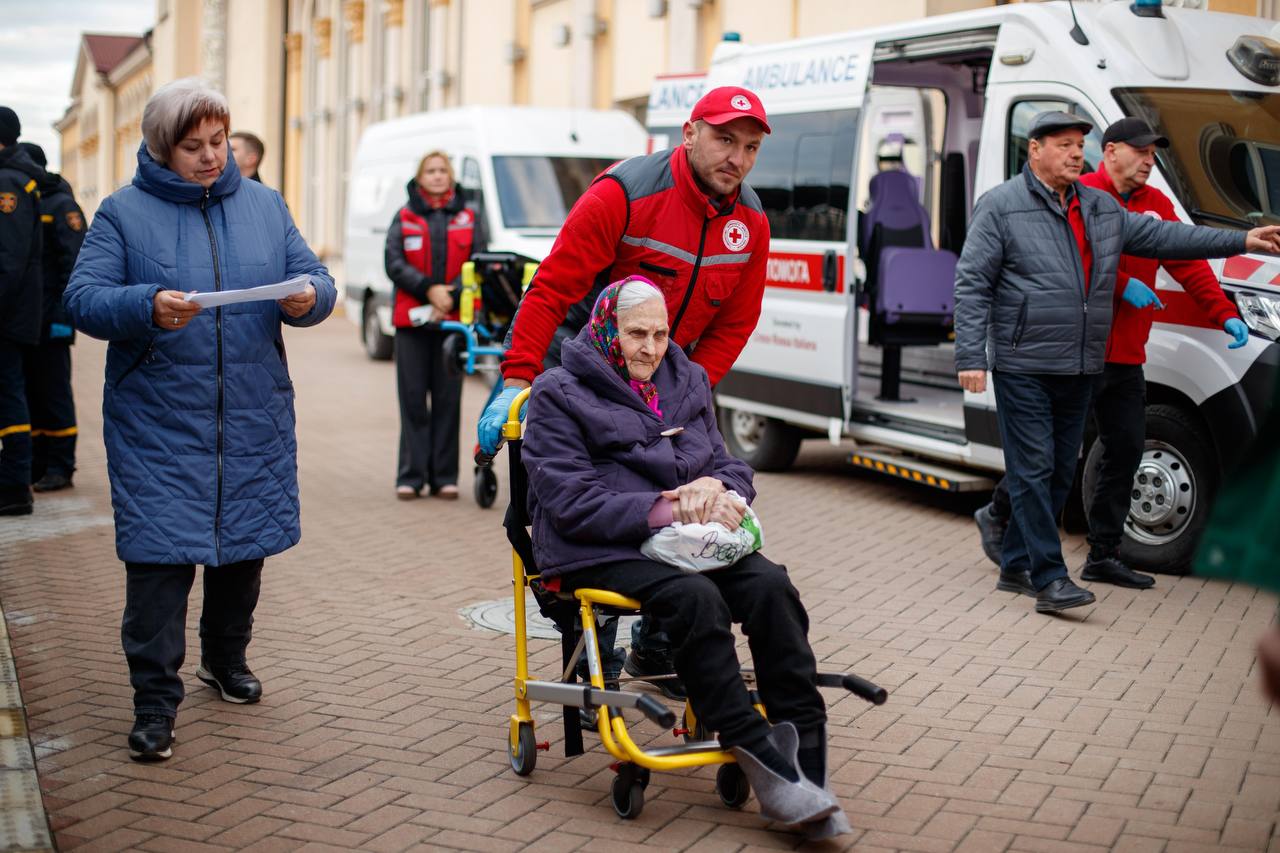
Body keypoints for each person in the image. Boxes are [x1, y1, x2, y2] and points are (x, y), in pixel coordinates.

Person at [63, 78, 336, 761]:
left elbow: (316, 277)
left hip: (251, 415)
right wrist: (146, 303)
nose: (211, 157)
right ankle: (155, 703)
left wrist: (310, 299)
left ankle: (225, 658)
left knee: (243, 550)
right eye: (193, 146)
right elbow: (82, 298)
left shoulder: (265, 206)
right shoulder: (122, 214)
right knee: (159, 566)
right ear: (161, 146)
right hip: (157, 422)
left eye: (218, 142)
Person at [523, 278, 848, 838]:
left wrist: (718, 492)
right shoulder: (558, 392)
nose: (651, 348)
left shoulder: (686, 377)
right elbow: (570, 502)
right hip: (601, 544)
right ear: (606, 330)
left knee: (772, 586)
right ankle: (756, 752)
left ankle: (804, 757)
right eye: (636, 334)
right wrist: (668, 506)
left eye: (661, 333)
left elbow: (730, 464)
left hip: (686, 540)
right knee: (694, 600)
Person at [477, 85, 772, 694]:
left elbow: (736, 322)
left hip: (666, 375)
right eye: (724, 140)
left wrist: (687, 392)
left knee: (679, 501)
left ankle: (658, 648)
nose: (736, 158)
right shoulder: (625, 194)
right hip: (586, 367)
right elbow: (552, 287)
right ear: (689, 134)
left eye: (749, 148)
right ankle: (592, 656)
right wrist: (516, 378)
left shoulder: (752, 223)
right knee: (596, 507)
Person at [953, 110, 1280, 614]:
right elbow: (972, 283)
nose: (1073, 153)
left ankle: (1015, 564)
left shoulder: (1098, 207)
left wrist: (1239, 239)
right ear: (1034, 149)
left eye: (1077, 143)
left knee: (1061, 469)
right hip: (1024, 361)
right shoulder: (1000, 207)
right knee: (1036, 467)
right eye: (1062, 144)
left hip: (1081, 361)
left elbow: (1168, 240)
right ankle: (1050, 578)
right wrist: (971, 356)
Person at [384, 151, 486, 500]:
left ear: (451, 176)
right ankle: (411, 477)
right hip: (411, 324)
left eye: (444, 170)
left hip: (454, 323)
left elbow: (478, 259)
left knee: (447, 399)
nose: (438, 176)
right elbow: (394, 263)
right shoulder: (405, 215)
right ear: (420, 176)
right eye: (431, 170)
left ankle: (444, 477)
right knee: (413, 400)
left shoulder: (470, 215)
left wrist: (451, 295)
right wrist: (429, 288)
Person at [16, 142, 85, 493]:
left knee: (54, 391)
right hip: (29, 319)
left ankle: (61, 464)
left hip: (53, 317)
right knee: (32, 390)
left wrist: (62, 318)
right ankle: (39, 463)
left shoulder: (61, 206)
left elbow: (73, 268)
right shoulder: (32, 201)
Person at [0, 106, 45, 517]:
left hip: (8, 315)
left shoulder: (9, 184)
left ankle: (15, 485)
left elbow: (9, 260)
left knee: (8, 397)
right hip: (14, 312)